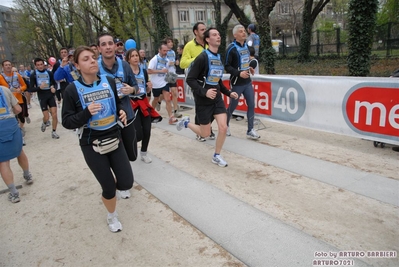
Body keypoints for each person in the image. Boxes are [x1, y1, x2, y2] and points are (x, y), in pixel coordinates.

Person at [62, 46, 133, 232]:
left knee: (126, 183)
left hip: (114, 137)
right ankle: (112, 215)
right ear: (77, 65)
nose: (92, 61)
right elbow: (67, 122)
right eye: (86, 59)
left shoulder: (108, 81)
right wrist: (86, 113)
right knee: (109, 187)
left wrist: (121, 113)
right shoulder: (72, 90)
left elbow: (117, 105)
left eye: (93, 57)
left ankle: (111, 195)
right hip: (91, 143)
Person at [176, 27, 238, 167]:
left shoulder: (218, 57)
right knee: (205, 133)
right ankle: (186, 123)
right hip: (203, 100)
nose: (218, 37)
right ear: (208, 40)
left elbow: (218, 80)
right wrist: (205, 92)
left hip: (216, 99)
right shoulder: (202, 57)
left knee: (223, 127)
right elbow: (190, 79)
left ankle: (216, 155)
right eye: (214, 35)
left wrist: (228, 93)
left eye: (219, 34)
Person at [97, 33, 139, 175]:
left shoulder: (125, 65)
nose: (108, 47)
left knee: (132, 154)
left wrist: (131, 89)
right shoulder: (94, 68)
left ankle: (124, 171)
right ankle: (122, 178)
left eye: (110, 43)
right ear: (99, 48)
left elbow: (136, 87)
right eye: (103, 44)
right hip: (107, 118)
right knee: (113, 151)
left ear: (115, 46)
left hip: (127, 114)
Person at [179, 22, 215, 142]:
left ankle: (206, 128)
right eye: (202, 29)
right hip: (197, 81)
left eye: (205, 29)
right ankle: (199, 131)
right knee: (201, 106)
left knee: (212, 105)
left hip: (210, 81)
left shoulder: (208, 44)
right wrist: (199, 58)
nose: (204, 31)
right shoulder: (189, 46)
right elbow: (182, 63)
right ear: (195, 32)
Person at [126, 48, 162, 164]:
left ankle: (144, 153)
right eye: (133, 56)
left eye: (137, 55)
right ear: (128, 59)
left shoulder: (143, 71)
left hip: (143, 101)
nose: (136, 58)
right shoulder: (126, 73)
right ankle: (127, 148)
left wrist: (148, 88)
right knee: (138, 134)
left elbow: (146, 89)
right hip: (132, 103)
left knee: (147, 130)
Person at [225, 25, 260, 140]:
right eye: (241, 32)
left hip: (247, 81)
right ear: (235, 35)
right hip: (236, 83)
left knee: (251, 104)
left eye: (244, 31)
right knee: (233, 106)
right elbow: (227, 66)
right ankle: (225, 125)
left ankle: (250, 130)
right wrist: (238, 73)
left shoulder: (246, 46)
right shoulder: (231, 48)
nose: (244, 33)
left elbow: (245, 62)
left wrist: (250, 68)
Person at [0, 85, 33, 203]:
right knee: (19, 151)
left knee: (3, 161)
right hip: (10, 123)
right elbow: (18, 109)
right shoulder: (4, 89)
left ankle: (14, 193)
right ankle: (27, 175)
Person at [29, 58, 60, 139]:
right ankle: (44, 122)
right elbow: (31, 89)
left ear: (44, 64)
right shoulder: (34, 75)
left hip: (50, 95)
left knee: (54, 114)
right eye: (38, 65)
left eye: (41, 64)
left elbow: (54, 83)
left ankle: (54, 131)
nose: (40, 66)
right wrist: (39, 88)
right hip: (42, 96)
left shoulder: (49, 73)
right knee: (46, 117)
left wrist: (54, 88)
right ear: (35, 66)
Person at [148, 43, 178, 125]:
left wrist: (171, 76)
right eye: (164, 50)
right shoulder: (154, 59)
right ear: (159, 50)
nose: (166, 52)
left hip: (164, 82)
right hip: (156, 84)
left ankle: (171, 117)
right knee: (156, 99)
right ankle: (151, 114)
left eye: (167, 51)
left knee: (168, 99)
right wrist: (160, 71)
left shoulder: (167, 60)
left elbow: (168, 70)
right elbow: (149, 71)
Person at [0, 60, 29, 144]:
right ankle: (20, 136)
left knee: (21, 117)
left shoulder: (17, 75)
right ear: (3, 67)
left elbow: (24, 85)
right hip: (7, 101)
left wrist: (21, 89)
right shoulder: (1, 77)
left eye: (9, 65)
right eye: (6, 65)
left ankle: (21, 129)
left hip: (18, 99)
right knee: (14, 119)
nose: (8, 66)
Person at [164, 37, 182, 118]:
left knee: (174, 92)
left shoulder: (173, 52)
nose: (171, 43)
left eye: (171, 42)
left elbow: (174, 63)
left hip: (172, 74)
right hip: (165, 74)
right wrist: (173, 62)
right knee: (163, 95)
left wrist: (176, 63)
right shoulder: (163, 52)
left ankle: (175, 110)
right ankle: (159, 102)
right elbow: (167, 63)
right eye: (169, 42)